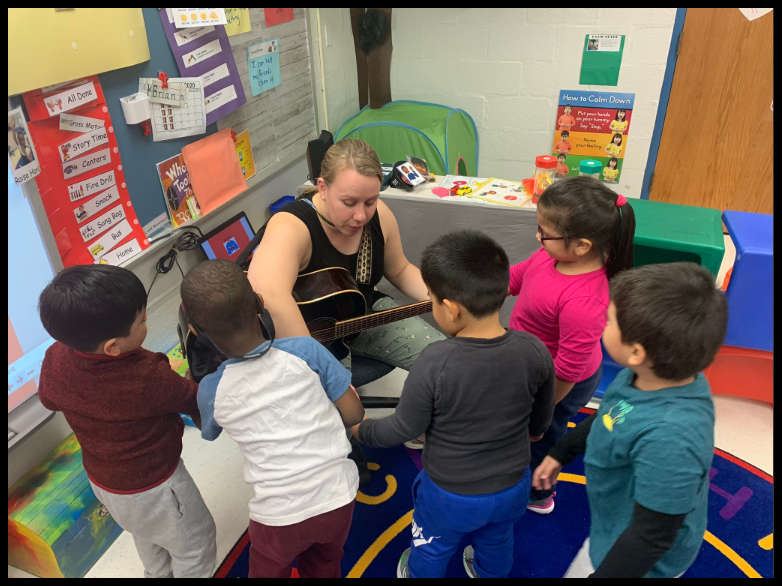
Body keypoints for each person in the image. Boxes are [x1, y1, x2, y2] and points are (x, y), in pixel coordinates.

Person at [353, 230, 556, 578]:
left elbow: (404, 428)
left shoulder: (436, 360)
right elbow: (541, 418)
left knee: (431, 545)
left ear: (450, 309)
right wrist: (535, 433)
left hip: (450, 494)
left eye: (432, 300)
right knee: (497, 538)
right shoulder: (534, 349)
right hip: (513, 484)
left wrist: (361, 428)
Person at [248, 138, 446, 449]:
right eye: (349, 202)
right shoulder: (292, 226)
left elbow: (400, 269)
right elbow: (270, 295)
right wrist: (322, 369)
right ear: (323, 188)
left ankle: (417, 425)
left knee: (443, 361)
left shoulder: (379, 216)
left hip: (362, 313)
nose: (361, 216)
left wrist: (443, 300)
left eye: (370, 201)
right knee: (325, 424)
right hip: (307, 338)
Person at [532, 262, 727, 578]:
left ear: (636, 351)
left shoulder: (672, 439)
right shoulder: (644, 376)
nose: (600, 322)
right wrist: (560, 453)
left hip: (642, 563)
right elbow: (612, 416)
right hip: (615, 526)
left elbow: (652, 536)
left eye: (608, 320)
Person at [181, 260, 364, 579]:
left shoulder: (212, 388)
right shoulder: (306, 350)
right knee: (324, 564)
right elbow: (354, 413)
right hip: (339, 496)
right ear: (259, 306)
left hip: (279, 517)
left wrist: (195, 383)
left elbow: (207, 431)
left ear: (196, 334)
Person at [36, 265, 216, 578]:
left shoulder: (56, 355)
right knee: (196, 546)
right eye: (143, 321)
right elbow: (192, 398)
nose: (146, 322)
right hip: (157, 486)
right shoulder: (147, 374)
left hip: (105, 483)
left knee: (146, 535)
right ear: (113, 347)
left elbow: (49, 399)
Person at [507, 176, 636, 514]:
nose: (538, 237)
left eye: (544, 232)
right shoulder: (550, 256)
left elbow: (567, 370)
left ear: (581, 246)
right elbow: (518, 276)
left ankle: (538, 494)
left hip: (559, 384)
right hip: (529, 364)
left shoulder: (584, 301)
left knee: (543, 438)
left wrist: (541, 413)